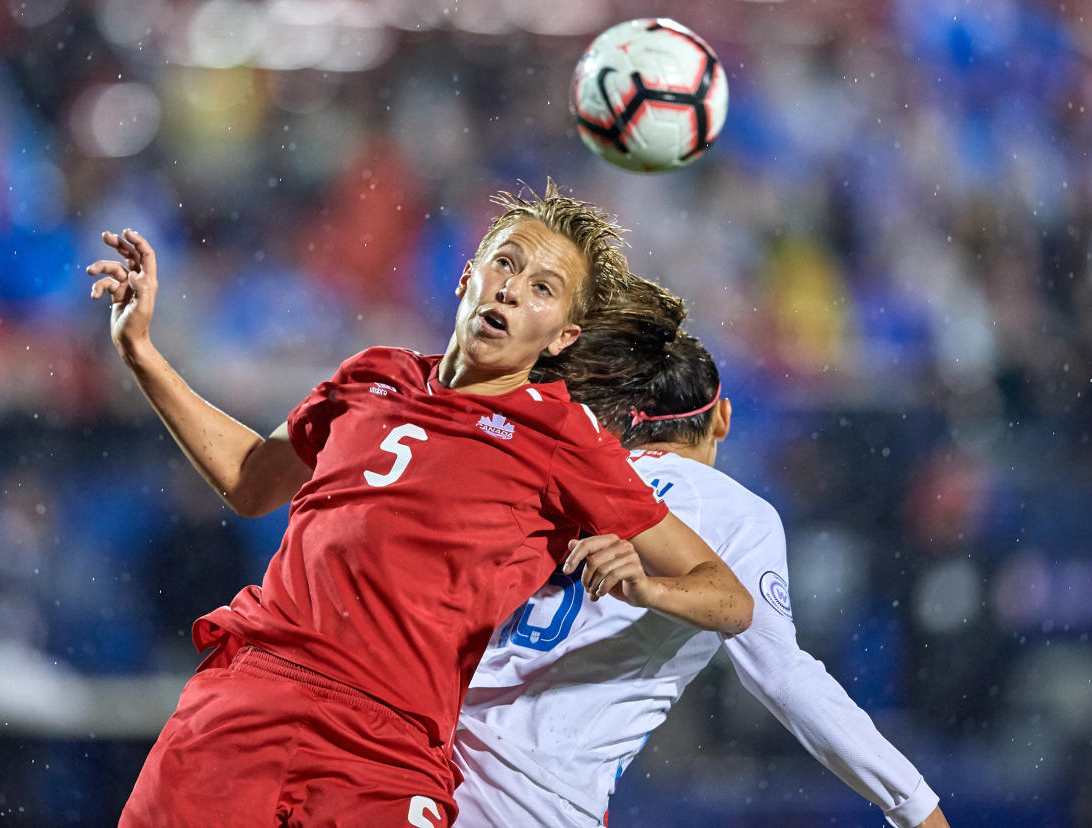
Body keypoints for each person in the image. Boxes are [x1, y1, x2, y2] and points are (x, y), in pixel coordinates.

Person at [86, 182, 753, 827]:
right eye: (506, 264)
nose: (514, 289)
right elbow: (251, 480)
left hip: (389, 745)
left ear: (561, 339)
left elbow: (728, 597)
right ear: (468, 276)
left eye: (543, 289)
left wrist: (647, 586)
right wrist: (141, 352)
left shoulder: (563, 439)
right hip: (253, 693)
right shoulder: (373, 375)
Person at [452, 297, 950, 828]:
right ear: (724, 418)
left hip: (438, 756)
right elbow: (783, 676)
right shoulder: (733, 510)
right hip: (531, 793)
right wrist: (912, 802)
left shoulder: (575, 479)